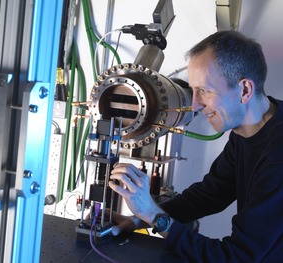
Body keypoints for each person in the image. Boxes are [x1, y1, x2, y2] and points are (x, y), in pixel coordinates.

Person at [108, 30, 283, 262]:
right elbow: (210, 194)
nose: (195, 106)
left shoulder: (278, 153)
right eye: (194, 90)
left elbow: (237, 257)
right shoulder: (248, 130)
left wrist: (155, 216)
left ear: (245, 90)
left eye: (205, 91)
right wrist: (139, 218)